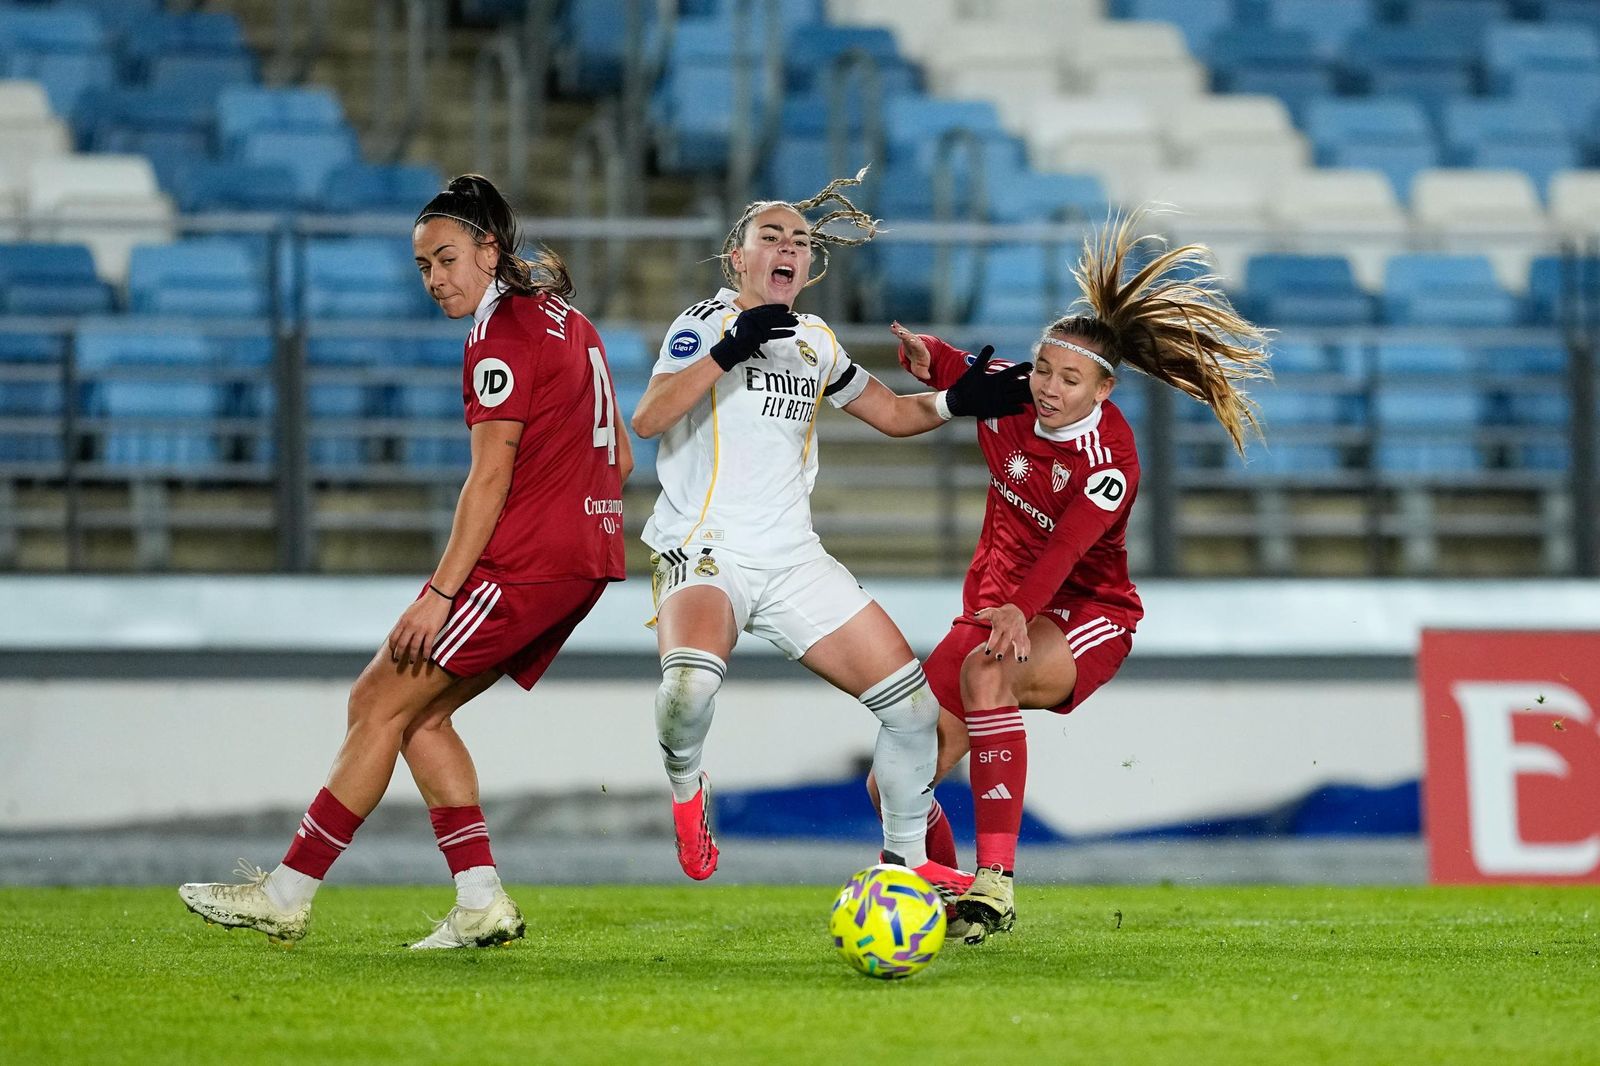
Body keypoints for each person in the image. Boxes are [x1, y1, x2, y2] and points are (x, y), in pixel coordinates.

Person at [178, 174, 631, 948]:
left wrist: (440, 593)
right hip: (586, 556)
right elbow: (619, 457)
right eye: (423, 267)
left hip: (527, 562)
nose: (435, 280)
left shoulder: (501, 336)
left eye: (447, 259)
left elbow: (488, 478)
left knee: (375, 701)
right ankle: (480, 897)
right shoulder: (569, 319)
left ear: (490, 250)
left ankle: (287, 893)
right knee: (419, 717)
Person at [630, 170, 1031, 897]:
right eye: (770, 236)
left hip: (791, 561)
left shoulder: (815, 341)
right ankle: (687, 787)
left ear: (810, 266)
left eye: (801, 240)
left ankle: (905, 859)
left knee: (914, 713)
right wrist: (728, 349)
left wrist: (960, 399)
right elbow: (650, 417)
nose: (788, 247)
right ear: (738, 259)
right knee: (689, 687)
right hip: (707, 547)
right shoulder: (706, 321)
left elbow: (893, 413)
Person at [884, 211, 1271, 942]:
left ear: (1102, 392)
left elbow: (1064, 551)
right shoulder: (1012, 393)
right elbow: (962, 369)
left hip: (1086, 613)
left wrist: (1013, 612)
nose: (1050, 388)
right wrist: (924, 353)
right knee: (894, 779)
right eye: (1042, 371)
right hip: (996, 611)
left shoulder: (1112, 457)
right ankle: (947, 901)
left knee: (987, 671)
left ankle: (996, 881)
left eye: (1069, 379)